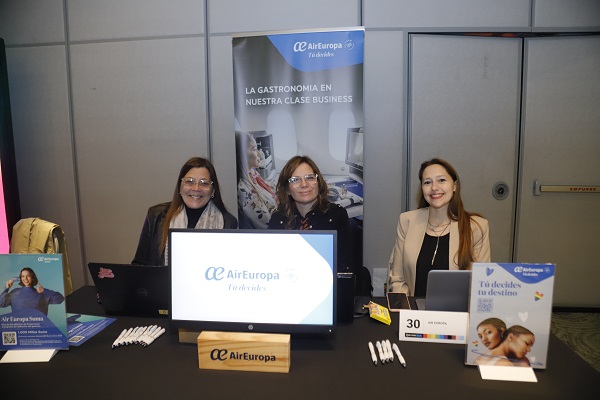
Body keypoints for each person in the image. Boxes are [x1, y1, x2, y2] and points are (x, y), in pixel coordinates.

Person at [387, 158, 490, 296]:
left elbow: (480, 283)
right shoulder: (407, 221)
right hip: (412, 308)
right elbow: (397, 278)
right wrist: (407, 306)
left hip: (457, 309)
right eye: (427, 182)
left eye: (441, 180)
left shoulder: (476, 227)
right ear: (422, 188)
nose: (434, 188)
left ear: (454, 186)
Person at [132, 157, 238, 266]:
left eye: (204, 183)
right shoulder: (155, 215)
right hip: (159, 278)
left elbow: (228, 268)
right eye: (189, 181)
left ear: (213, 190)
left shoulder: (228, 223)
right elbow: (139, 265)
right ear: (180, 186)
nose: (196, 188)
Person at [268, 155, 353, 273]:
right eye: (295, 180)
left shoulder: (337, 216)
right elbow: (272, 265)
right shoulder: (278, 219)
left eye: (310, 178)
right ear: (287, 189)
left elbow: (344, 268)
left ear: (318, 183)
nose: (304, 184)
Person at [235, 131, 278, 229]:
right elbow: (266, 222)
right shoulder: (243, 189)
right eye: (254, 149)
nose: (259, 154)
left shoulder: (252, 174)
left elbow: (268, 188)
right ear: (242, 155)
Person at [0, 267, 65, 315]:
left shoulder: (41, 293)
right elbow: (1, 304)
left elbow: (60, 299)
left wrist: (44, 290)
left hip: (39, 327)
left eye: (28, 276)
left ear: (32, 277)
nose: (25, 278)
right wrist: (6, 289)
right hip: (19, 327)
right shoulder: (14, 292)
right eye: (23, 276)